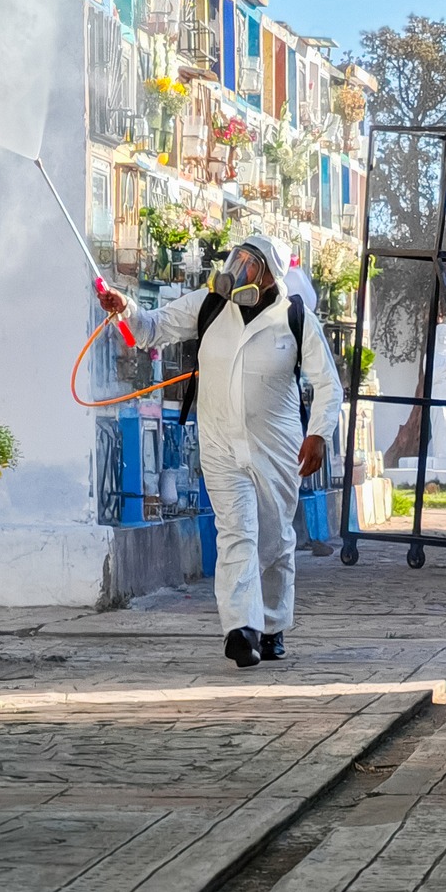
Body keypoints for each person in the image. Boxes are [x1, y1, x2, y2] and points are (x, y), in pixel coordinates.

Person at [99, 233, 342, 667]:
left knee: (274, 537)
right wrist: (126, 308)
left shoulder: (295, 317)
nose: (240, 269)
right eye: (238, 259)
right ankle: (240, 630)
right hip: (218, 442)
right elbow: (152, 329)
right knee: (236, 532)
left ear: (268, 276)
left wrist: (319, 434)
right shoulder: (209, 304)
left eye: (252, 264)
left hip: (277, 445)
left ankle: (271, 624)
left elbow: (327, 384)